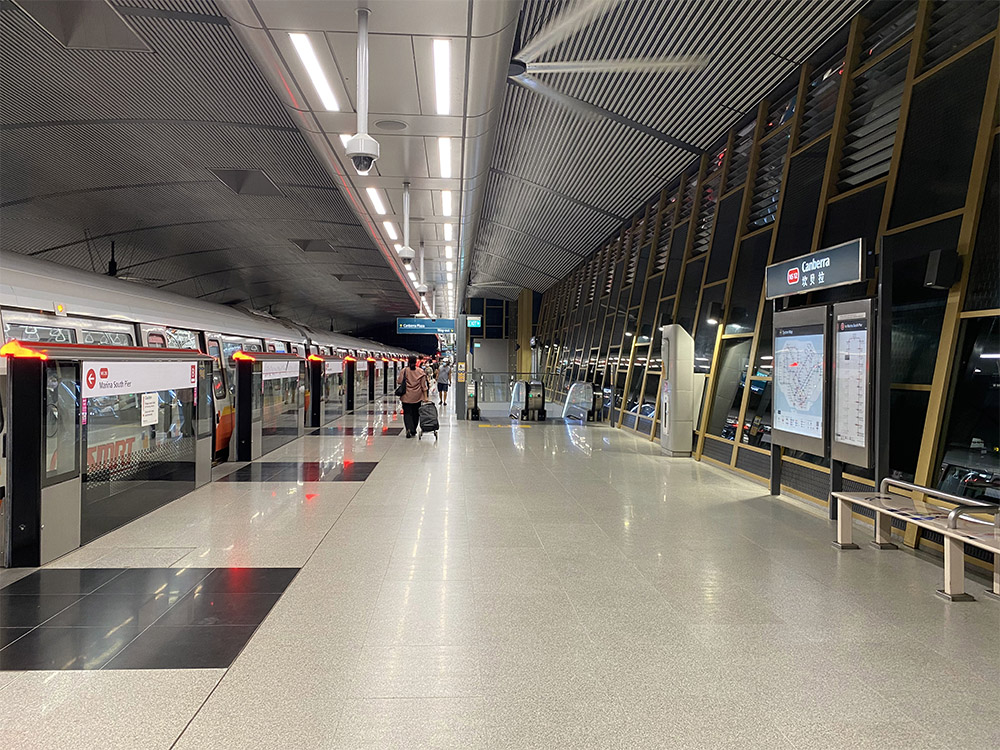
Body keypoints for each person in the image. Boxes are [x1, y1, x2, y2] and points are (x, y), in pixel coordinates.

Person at [398, 354, 429, 438]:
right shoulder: (420, 371)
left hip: (406, 396)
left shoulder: (404, 371)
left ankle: (408, 428)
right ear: (416, 362)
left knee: (407, 413)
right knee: (416, 413)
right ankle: (413, 429)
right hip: (417, 397)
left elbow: (399, 381)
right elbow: (424, 386)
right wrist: (425, 397)